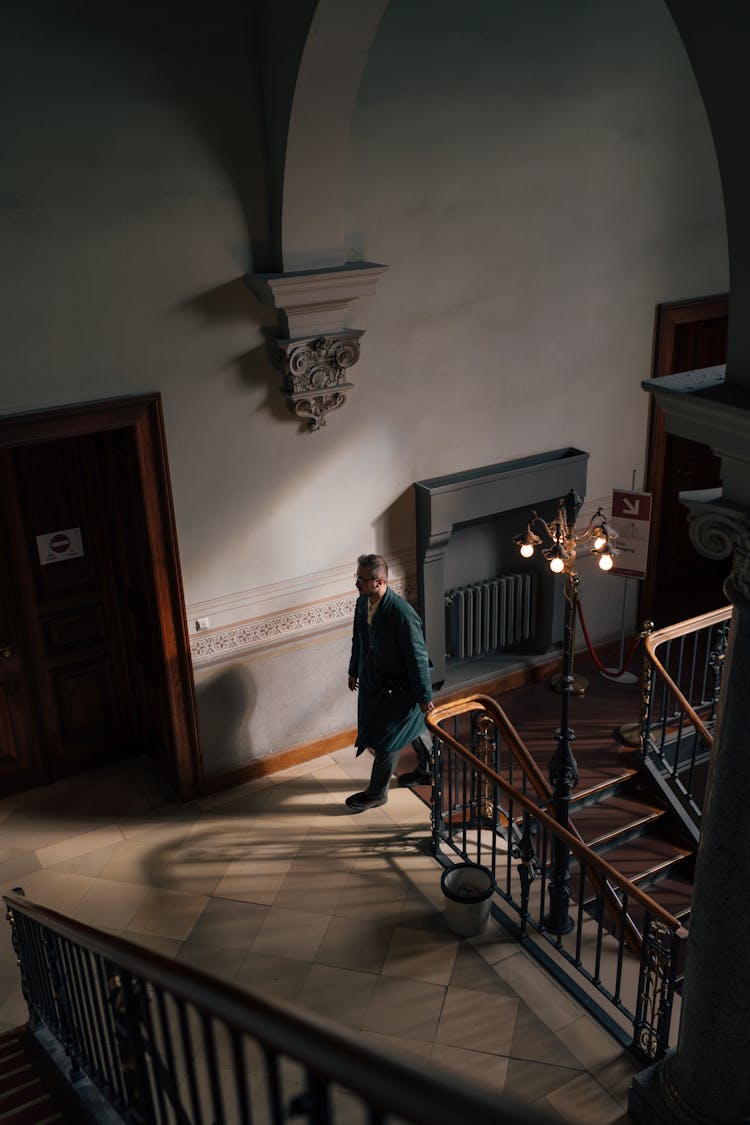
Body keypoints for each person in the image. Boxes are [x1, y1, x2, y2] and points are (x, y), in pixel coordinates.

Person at [346, 553, 435, 812]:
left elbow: (417, 656)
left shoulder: (402, 614)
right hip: (378, 685)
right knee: (415, 726)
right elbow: (358, 640)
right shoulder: (362, 603)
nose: (358, 584)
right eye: (357, 578)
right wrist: (354, 670)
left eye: (363, 580)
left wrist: (424, 696)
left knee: (389, 738)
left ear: (380, 581)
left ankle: (377, 793)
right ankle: (429, 769)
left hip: (404, 689)